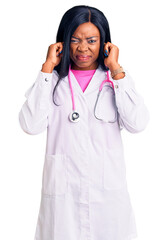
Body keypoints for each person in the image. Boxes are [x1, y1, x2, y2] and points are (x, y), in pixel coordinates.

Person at [18, 5, 150, 240]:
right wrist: (47, 68)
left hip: (107, 196)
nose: (83, 48)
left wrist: (116, 69)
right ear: (63, 41)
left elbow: (138, 123)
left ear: (105, 44)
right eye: (75, 39)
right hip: (63, 198)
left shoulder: (114, 81)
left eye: (92, 40)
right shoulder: (53, 81)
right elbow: (30, 124)